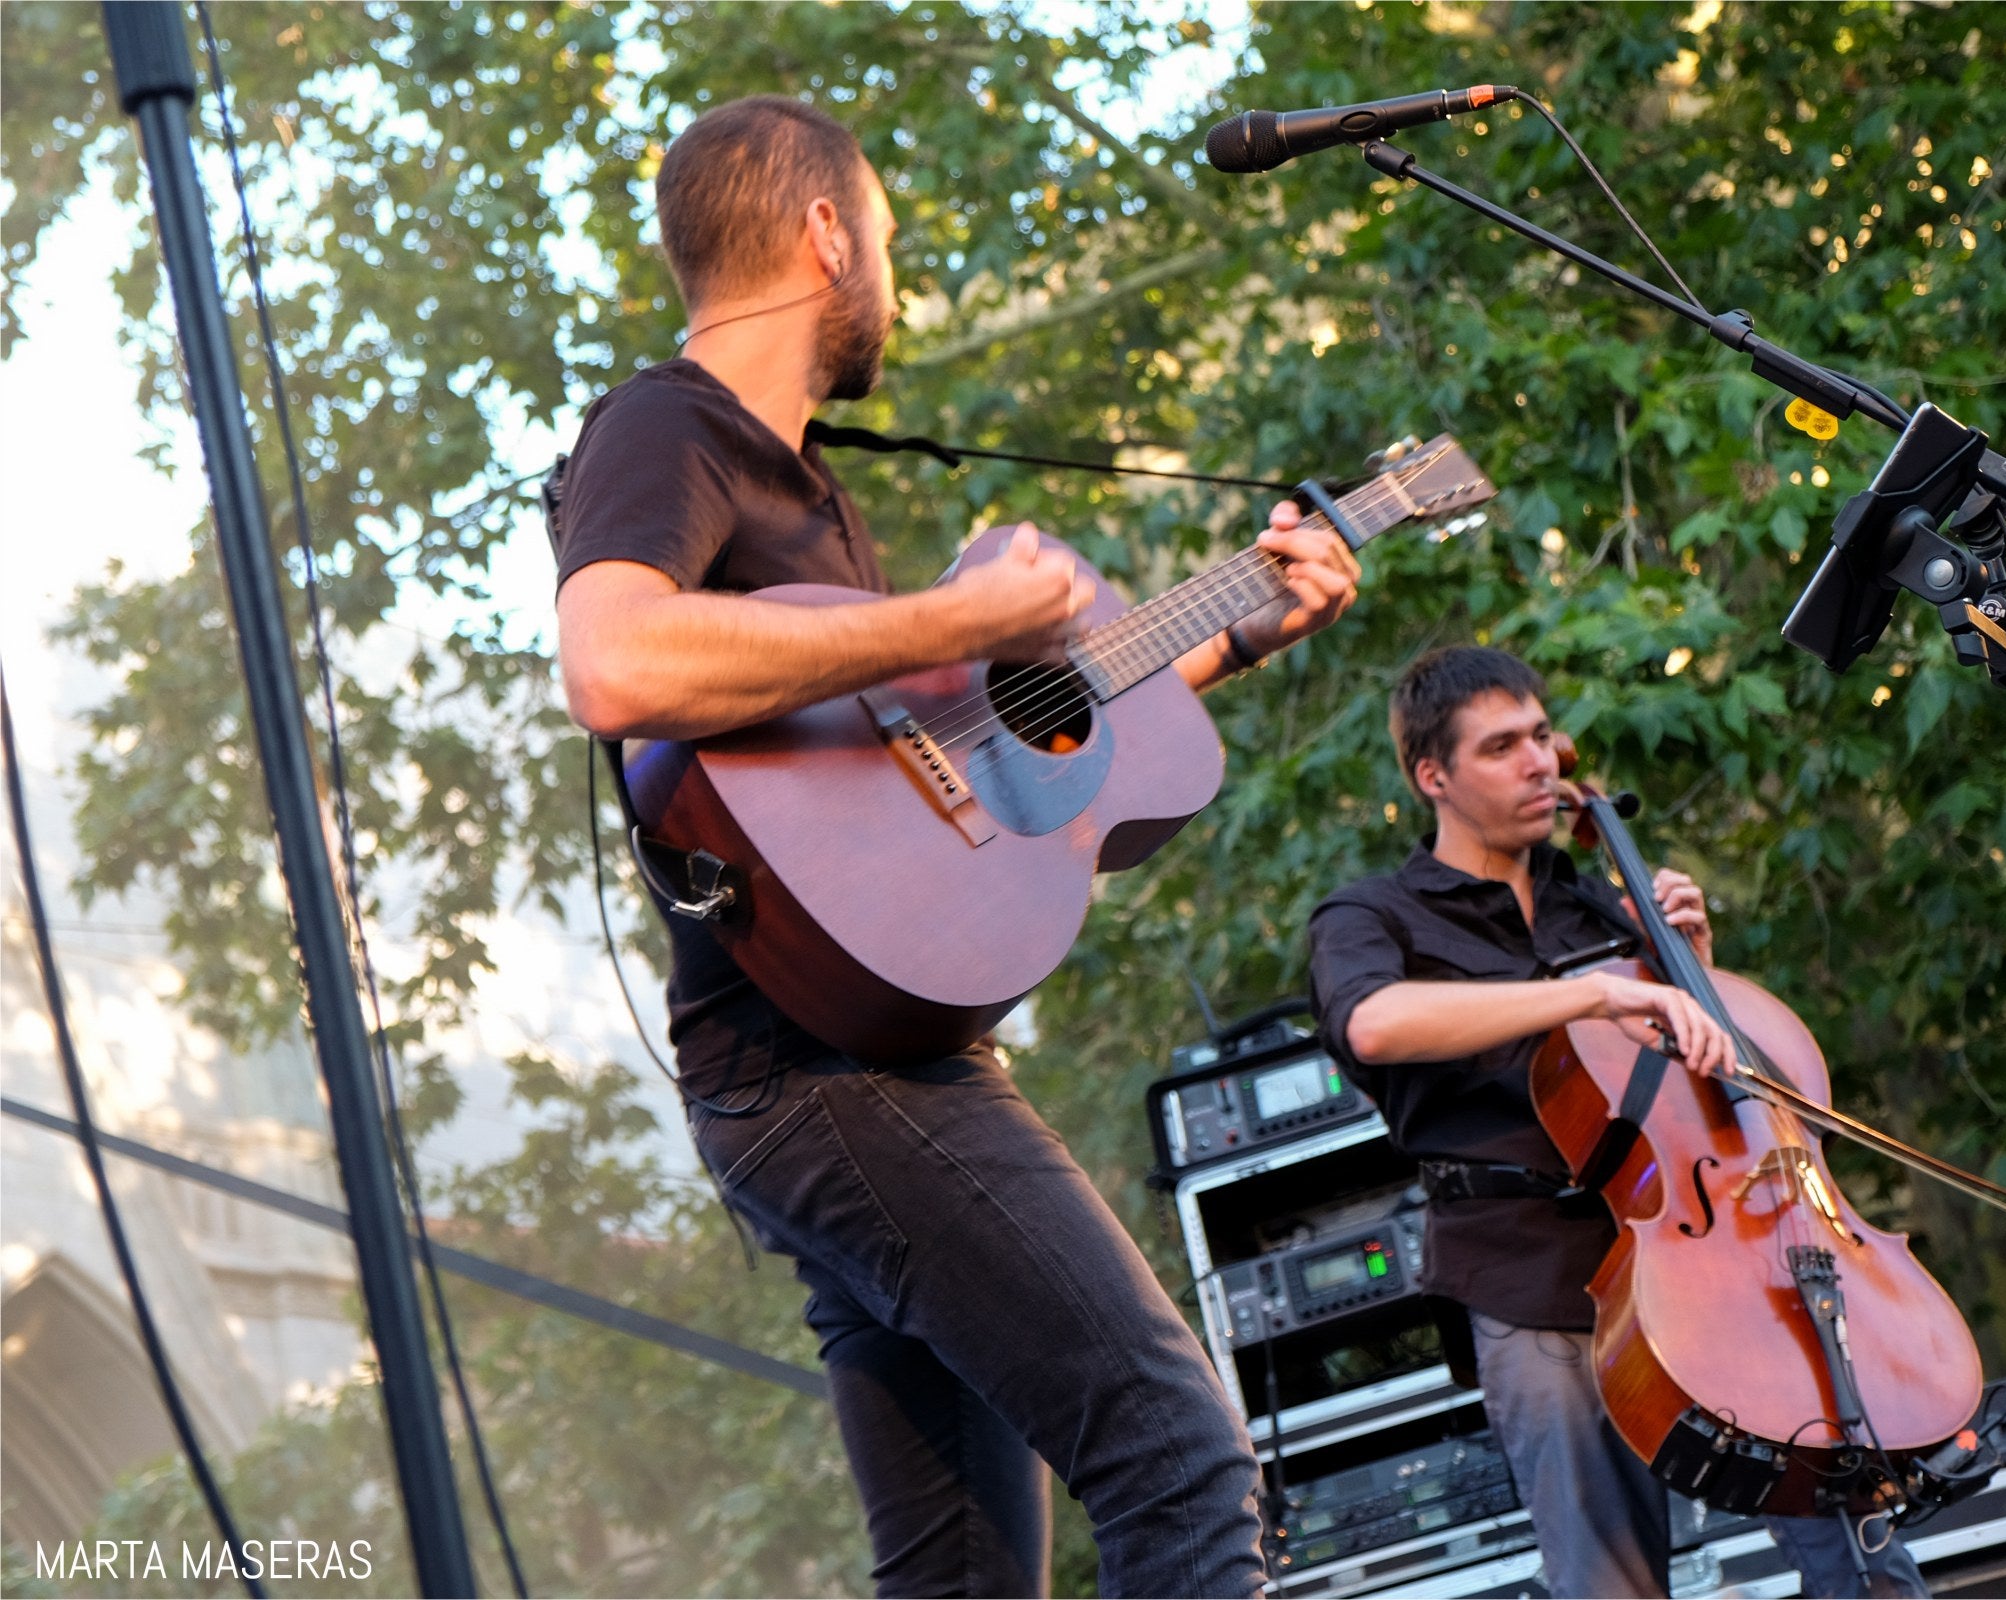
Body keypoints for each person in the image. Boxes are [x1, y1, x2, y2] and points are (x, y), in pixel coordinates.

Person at [552, 96, 1363, 1598]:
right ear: (822, 236)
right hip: (835, 1080)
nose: (895, 286)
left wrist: (1239, 624)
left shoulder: (805, 500)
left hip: (824, 1070)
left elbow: (979, 754)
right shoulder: (664, 426)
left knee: (965, 1577)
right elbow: (612, 665)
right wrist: (951, 619)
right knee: (1178, 1459)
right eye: (891, 245)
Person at [1306, 644, 1929, 1599]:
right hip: (1532, 1279)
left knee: (1860, 1552)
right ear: (1432, 776)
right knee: (1609, 1584)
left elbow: (1727, 1093)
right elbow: (1374, 1023)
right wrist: (1584, 995)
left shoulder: (1596, 901)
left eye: (1542, 736)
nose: (1540, 762)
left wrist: (1692, 969)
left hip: (1717, 1268)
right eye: (1502, 746)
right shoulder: (1372, 916)